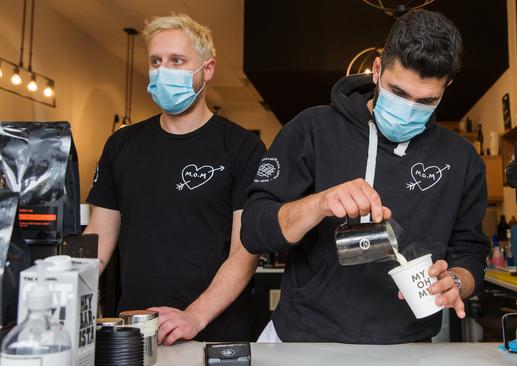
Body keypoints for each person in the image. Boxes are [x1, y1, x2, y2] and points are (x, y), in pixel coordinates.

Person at [241, 10, 489, 344]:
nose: (409, 109)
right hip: (302, 339)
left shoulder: (462, 158)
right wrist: (319, 203)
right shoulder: (312, 130)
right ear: (376, 69)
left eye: (427, 101)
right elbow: (255, 231)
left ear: (446, 89)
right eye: (398, 93)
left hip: (406, 346)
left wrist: (457, 282)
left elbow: (470, 252)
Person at [85, 14, 265, 344]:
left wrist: (193, 317)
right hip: (136, 330)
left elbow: (246, 250)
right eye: (156, 61)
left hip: (215, 334)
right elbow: (98, 237)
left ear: (207, 69)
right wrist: (63, 293)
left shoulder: (242, 147)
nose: (163, 71)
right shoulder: (122, 144)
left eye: (177, 61)